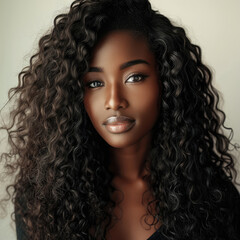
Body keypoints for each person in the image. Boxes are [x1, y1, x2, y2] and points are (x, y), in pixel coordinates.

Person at [0, 0, 239, 239]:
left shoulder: (214, 199)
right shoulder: (43, 200)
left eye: (134, 78)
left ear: (166, 81)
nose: (114, 101)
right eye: (95, 83)